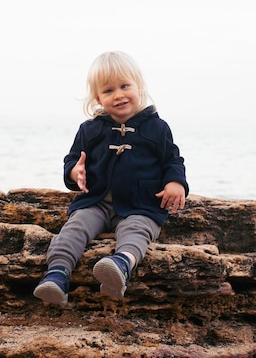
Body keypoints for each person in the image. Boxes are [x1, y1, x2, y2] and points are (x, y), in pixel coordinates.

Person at [33, 51, 189, 306]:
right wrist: (75, 172)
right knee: (75, 227)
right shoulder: (90, 129)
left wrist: (175, 183)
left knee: (138, 229)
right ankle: (57, 275)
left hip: (141, 204)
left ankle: (120, 265)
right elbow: (71, 160)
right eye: (108, 91)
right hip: (96, 201)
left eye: (125, 86)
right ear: (97, 98)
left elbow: (173, 160)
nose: (118, 95)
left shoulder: (156, 128)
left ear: (139, 87)